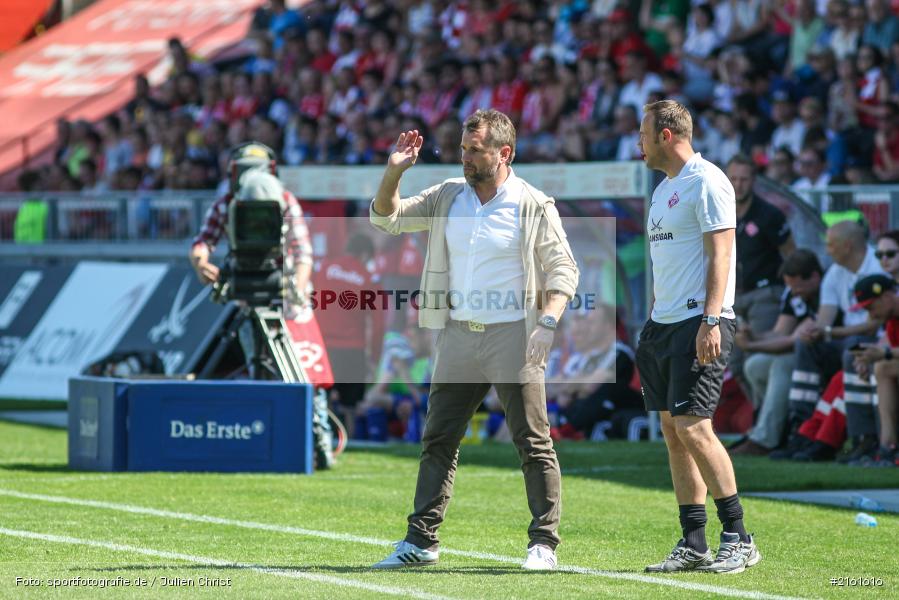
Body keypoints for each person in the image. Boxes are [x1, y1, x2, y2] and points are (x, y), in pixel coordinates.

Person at [368, 109, 579, 571]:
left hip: (514, 336)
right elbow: (388, 219)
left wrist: (547, 322)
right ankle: (421, 541)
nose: (464, 157)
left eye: (474, 149)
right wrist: (393, 173)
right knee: (438, 440)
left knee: (532, 441)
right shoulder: (447, 196)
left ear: (504, 153)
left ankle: (543, 544)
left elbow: (565, 269)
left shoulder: (533, 203)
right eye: (463, 148)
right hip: (458, 334)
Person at [635, 99, 760, 574]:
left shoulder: (708, 181)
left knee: (693, 426)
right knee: (672, 432)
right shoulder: (664, 188)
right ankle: (694, 542)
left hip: (699, 322)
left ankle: (739, 536)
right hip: (663, 323)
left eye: (643, 133)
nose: (638, 143)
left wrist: (711, 319)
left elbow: (720, 255)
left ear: (666, 135)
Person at [188, 142, 331, 384]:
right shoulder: (227, 203)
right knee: (257, 367)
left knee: (304, 375)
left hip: (287, 297)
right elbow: (202, 242)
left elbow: (302, 252)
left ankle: (315, 418)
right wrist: (200, 263)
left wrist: (298, 287)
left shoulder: (285, 201)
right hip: (245, 292)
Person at [773, 221, 884, 461]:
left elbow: (875, 324)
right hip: (847, 337)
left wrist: (830, 332)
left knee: (853, 347)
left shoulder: (877, 267)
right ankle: (800, 428)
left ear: (847, 245)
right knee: (807, 344)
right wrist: (815, 331)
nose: (827, 250)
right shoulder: (836, 272)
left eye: (831, 245)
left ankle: (861, 436)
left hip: (872, 339)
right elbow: (825, 318)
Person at [731, 250, 826, 456]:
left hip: (823, 355)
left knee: (782, 364)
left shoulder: (826, 293)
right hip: (804, 353)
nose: (794, 291)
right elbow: (779, 332)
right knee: (755, 365)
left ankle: (765, 439)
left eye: (798, 286)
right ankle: (775, 427)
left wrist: (751, 346)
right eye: (790, 285)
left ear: (815, 277)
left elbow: (793, 341)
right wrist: (754, 336)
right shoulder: (793, 293)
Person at [849, 274, 899, 467]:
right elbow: (886, 343)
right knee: (880, 366)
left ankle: (888, 446)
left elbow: (887, 351)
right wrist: (867, 358)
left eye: (871, 307)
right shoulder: (892, 319)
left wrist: (883, 353)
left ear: (887, 296)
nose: (870, 315)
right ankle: (886, 448)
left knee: (884, 366)